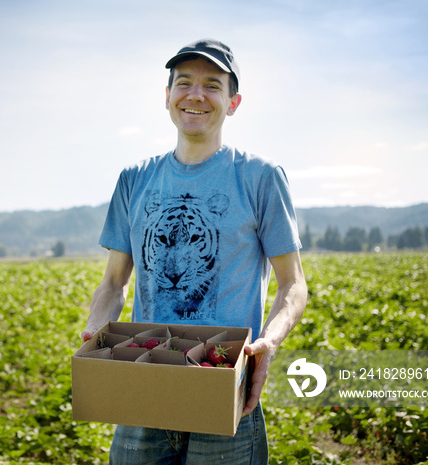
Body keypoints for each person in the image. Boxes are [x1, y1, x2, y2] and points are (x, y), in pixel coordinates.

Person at [80, 39, 308, 464]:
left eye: (212, 85)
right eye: (183, 83)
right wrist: (96, 331)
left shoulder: (260, 177)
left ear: (233, 102)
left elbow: (293, 285)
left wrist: (268, 343)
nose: (196, 95)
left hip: (223, 389)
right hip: (143, 382)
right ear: (167, 97)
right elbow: (114, 281)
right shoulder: (134, 179)